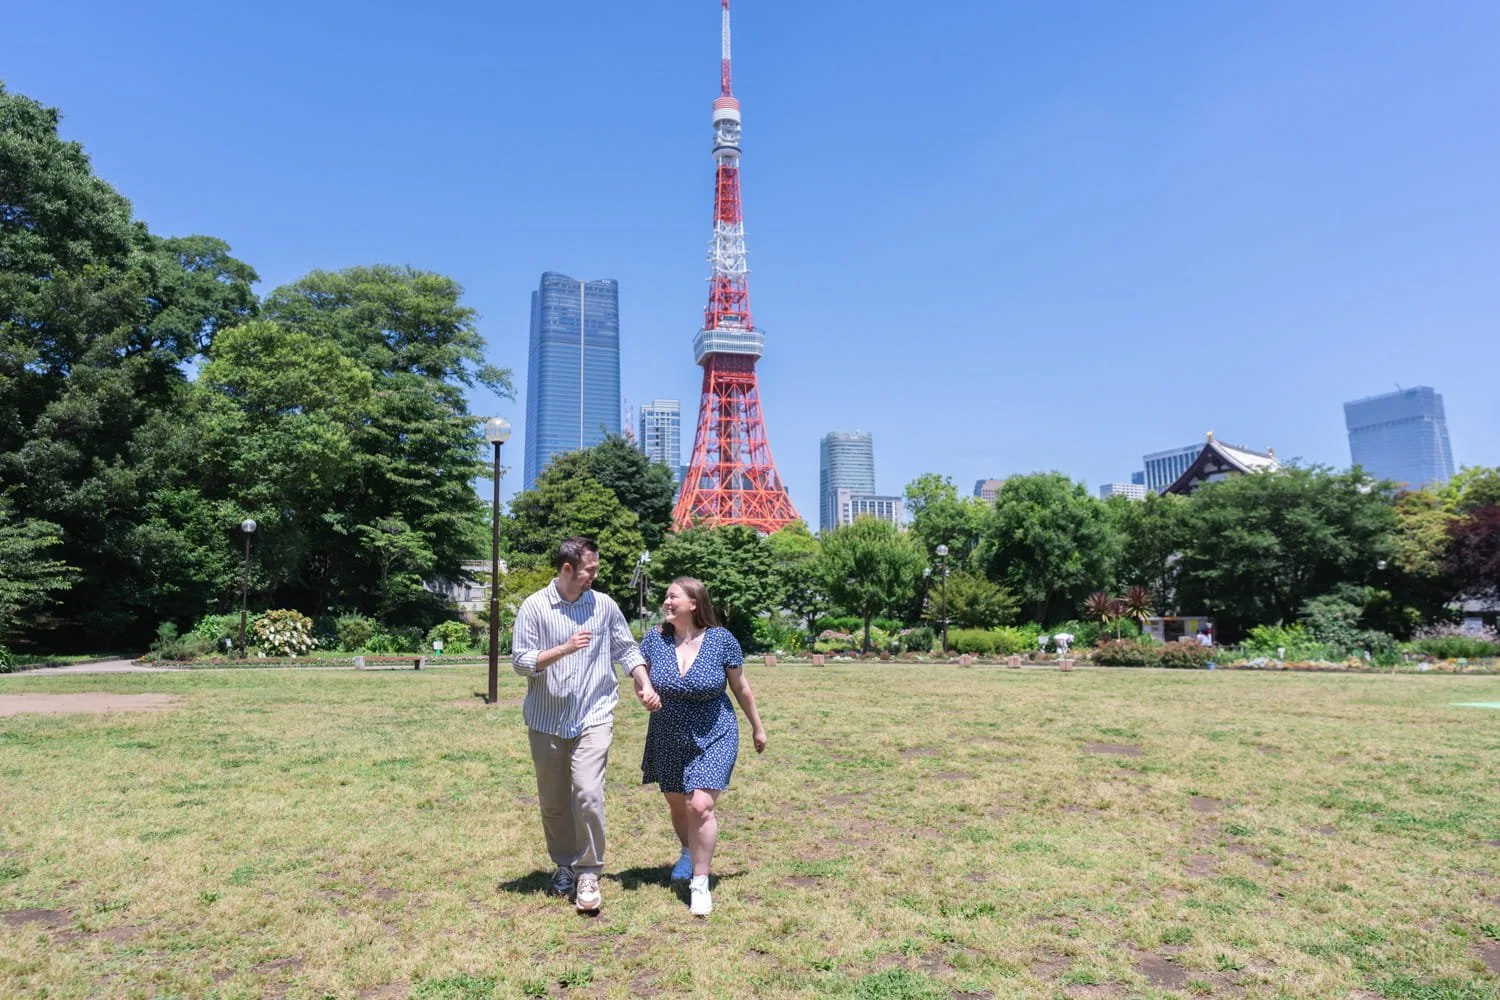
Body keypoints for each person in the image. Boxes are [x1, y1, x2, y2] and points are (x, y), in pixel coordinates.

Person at [511, 536, 661, 914]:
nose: (594, 576)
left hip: (594, 713)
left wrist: (643, 683)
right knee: (554, 801)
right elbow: (520, 662)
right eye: (589, 570)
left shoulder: (605, 606)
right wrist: (564, 648)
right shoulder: (534, 607)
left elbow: (627, 649)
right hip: (546, 718)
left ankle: (590, 871)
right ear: (567, 570)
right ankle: (564, 865)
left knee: (588, 794)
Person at [637, 577, 766, 916]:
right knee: (679, 805)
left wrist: (757, 726)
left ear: (694, 603)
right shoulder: (654, 639)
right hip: (668, 732)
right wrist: (645, 692)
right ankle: (686, 850)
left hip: (715, 730)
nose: (667, 602)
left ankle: (700, 882)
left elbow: (741, 687)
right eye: (666, 596)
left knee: (701, 806)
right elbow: (642, 678)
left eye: (673, 596)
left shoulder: (722, 640)